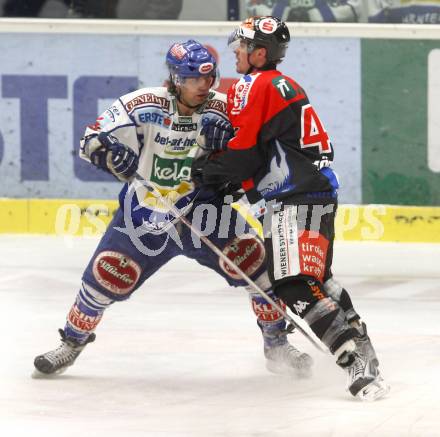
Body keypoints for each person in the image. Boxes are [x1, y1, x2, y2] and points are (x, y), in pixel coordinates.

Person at [33, 40, 313, 378]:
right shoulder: (142, 103)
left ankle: (277, 344)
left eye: (208, 79)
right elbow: (90, 139)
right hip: (145, 215)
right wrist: (108, 154)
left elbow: (257, 159)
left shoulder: (225, 110)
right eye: (193, 79)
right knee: (103, 278)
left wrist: (230, 164)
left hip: (207, 213)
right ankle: (72, 342)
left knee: (258, 266)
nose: (203, 86)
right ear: (175, 77)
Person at [193, 16, 390, 400]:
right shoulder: (281, 84)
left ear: (259, 53)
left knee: (293, 283)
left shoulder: (256, 84)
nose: (236, 51)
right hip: (310, 192)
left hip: (294, 196)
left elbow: (245, 153)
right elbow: (263, 152)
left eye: (242, 46)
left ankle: (354, 361)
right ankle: (360, 342)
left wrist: (207, 170)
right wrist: (229, 177)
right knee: (317, 278)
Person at [245, 0, 361, 22]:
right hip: (275, 41)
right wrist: (286, 14)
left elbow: (354, 7)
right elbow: (252, 4)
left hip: (331, 39)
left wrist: (313, 16)